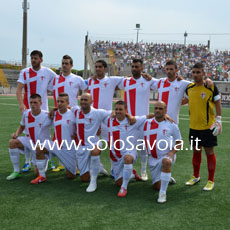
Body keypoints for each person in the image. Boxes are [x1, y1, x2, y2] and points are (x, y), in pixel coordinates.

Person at [16, 50, 56, 172]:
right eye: (32, 58)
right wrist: (22, 104)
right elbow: (19, 90)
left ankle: (48, 159)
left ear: (41, 60)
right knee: (28, 134)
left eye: (36, 58)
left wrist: (49, 89)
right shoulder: (25, 72)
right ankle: (27, 162)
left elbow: (59, 79)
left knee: (45, 134)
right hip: (29, 108)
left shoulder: (48, 72)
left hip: (43, 109)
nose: (33, 60)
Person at [185, 63, 222, 191]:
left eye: (198, 72)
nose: (195, 75)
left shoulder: (210, 87)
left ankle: (211, 180)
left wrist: (219, 120)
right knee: (196, 151)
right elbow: (185, 100)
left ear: (203, 73)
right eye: (193, 72)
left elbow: (217, 102)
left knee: (209, 152)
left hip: (208, 128)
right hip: (193, 127)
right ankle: (196, 176)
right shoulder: (189, 88)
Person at [118, 59, 156, 181]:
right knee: (128, 147)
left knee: (143, 148)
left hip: (143, 121)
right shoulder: (125, 81)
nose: (134, 68)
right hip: (128, 120)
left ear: (142, 67)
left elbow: (166, 83)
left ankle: (144, 170)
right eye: (133, 66)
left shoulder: (148, 81)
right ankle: (130, 172)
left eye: (137, 66)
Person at [103, 100, 150, 197]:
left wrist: (166, 116)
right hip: (115, 156)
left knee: (127, 159)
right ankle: (132, 173)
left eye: (121, 109)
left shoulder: (133, 121)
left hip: (129, 152)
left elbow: (149, 116)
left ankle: (124, 188)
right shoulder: (109, 120)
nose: (118, 111)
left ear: (126, 110)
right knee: (118, 182)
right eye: (116, 109)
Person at [50, 55, 87, 172]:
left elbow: (87, 91)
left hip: (73, 113)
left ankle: (76, 164)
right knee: (60, 137)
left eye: (67, 63)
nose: (64, 65)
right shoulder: (55, 79)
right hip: (59, 112)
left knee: (75, 138)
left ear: (71, 65)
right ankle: (62, 163)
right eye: (63, 63)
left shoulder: (77, 79)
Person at [31, 93, 77, 184]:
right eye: (58, 101)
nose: (59, 103)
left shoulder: (73, 114)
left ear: (68, 102)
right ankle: (42, 176)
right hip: (55, 146)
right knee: (39, 148)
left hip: (69, 148)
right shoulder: (54, 113)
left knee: (71, 176)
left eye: (62, 102)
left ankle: (87, 166)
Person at [142, 101, 182, 203]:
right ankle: (167, 178)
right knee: (156, 186)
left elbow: (179, 142)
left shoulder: (171, 124)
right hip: (153, 158)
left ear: (165, 110)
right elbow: (132, 120)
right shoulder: (146, 123)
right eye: (156, 108)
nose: (158, 110)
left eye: (160, 109)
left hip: (167, 155)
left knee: (166, 162)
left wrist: (172, 152)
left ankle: (162, 194)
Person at [6, 94, 51, 180]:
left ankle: (43, 161)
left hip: (41, 147)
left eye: (35, 102)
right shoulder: (26, 113)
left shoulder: (47, 115)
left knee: (37, 173)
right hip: (30, 142)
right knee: (12, 142)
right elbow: (22, 126)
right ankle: (16, 171)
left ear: (41, 103)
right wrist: (16, 134)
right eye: (31, 102)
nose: (33, 104)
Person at [73, 93, 112, 192]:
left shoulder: (98, 112)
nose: (83, 102)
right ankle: (98, 167)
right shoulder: (76, 111)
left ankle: (93, 182)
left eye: (86, 100)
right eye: (81, 100)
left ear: (91, 101)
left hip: (94, 143)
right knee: (84, 179)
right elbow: (65, 108)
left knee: (94, 152)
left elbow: (112, 113)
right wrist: (54, 110)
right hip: (81, 147)